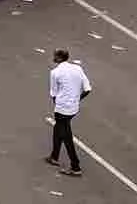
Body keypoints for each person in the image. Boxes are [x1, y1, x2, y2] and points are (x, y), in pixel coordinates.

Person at [46, 48, 92, 177]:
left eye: (55, 55)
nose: (53, 57)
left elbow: (54, 94)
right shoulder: (78, 69)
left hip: (62, 108)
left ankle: (75, 166)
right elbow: (88, 89)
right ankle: (54, 156)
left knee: (66, 136)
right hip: (73, 108)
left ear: (60, 58)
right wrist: (76, 99)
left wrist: (59, 104)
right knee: (58, 128)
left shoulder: (55, 72)